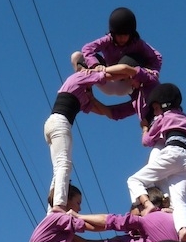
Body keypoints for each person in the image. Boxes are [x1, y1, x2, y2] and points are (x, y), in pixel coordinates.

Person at [46, 65, 140, 210]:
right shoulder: (80, 77)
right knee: (64, 164)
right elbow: (107, 76)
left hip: (55, 124)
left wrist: (135, 104)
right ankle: (58, 204)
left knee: (59, 167)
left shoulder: (82, 94)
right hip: (60, 122)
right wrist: (134, 74)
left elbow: (104, 111)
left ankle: (52, 208)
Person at [127, 83, 186, 242]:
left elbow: (147, 141)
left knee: (134, 180)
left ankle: (147, 204)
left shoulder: (164, 118)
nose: (156, 112)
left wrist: (145, 128)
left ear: (164, 106)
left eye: (156, 108)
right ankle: (183, 229)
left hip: (172, 153)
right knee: (179, 202)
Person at [73, 7, 162, 97]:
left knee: (129, 60)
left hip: (125, 83)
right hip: (106, 80)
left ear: (131, 34)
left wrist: (153, 71)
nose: (122, 39)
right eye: (119, 35)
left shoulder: (137, 43)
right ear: (113, 33)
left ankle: (136, 92)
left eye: (125, 35)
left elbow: (157, 56)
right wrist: (95, 65)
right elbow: (87, 48)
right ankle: (86, 90)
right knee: (76, 56)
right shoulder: (108, 40)